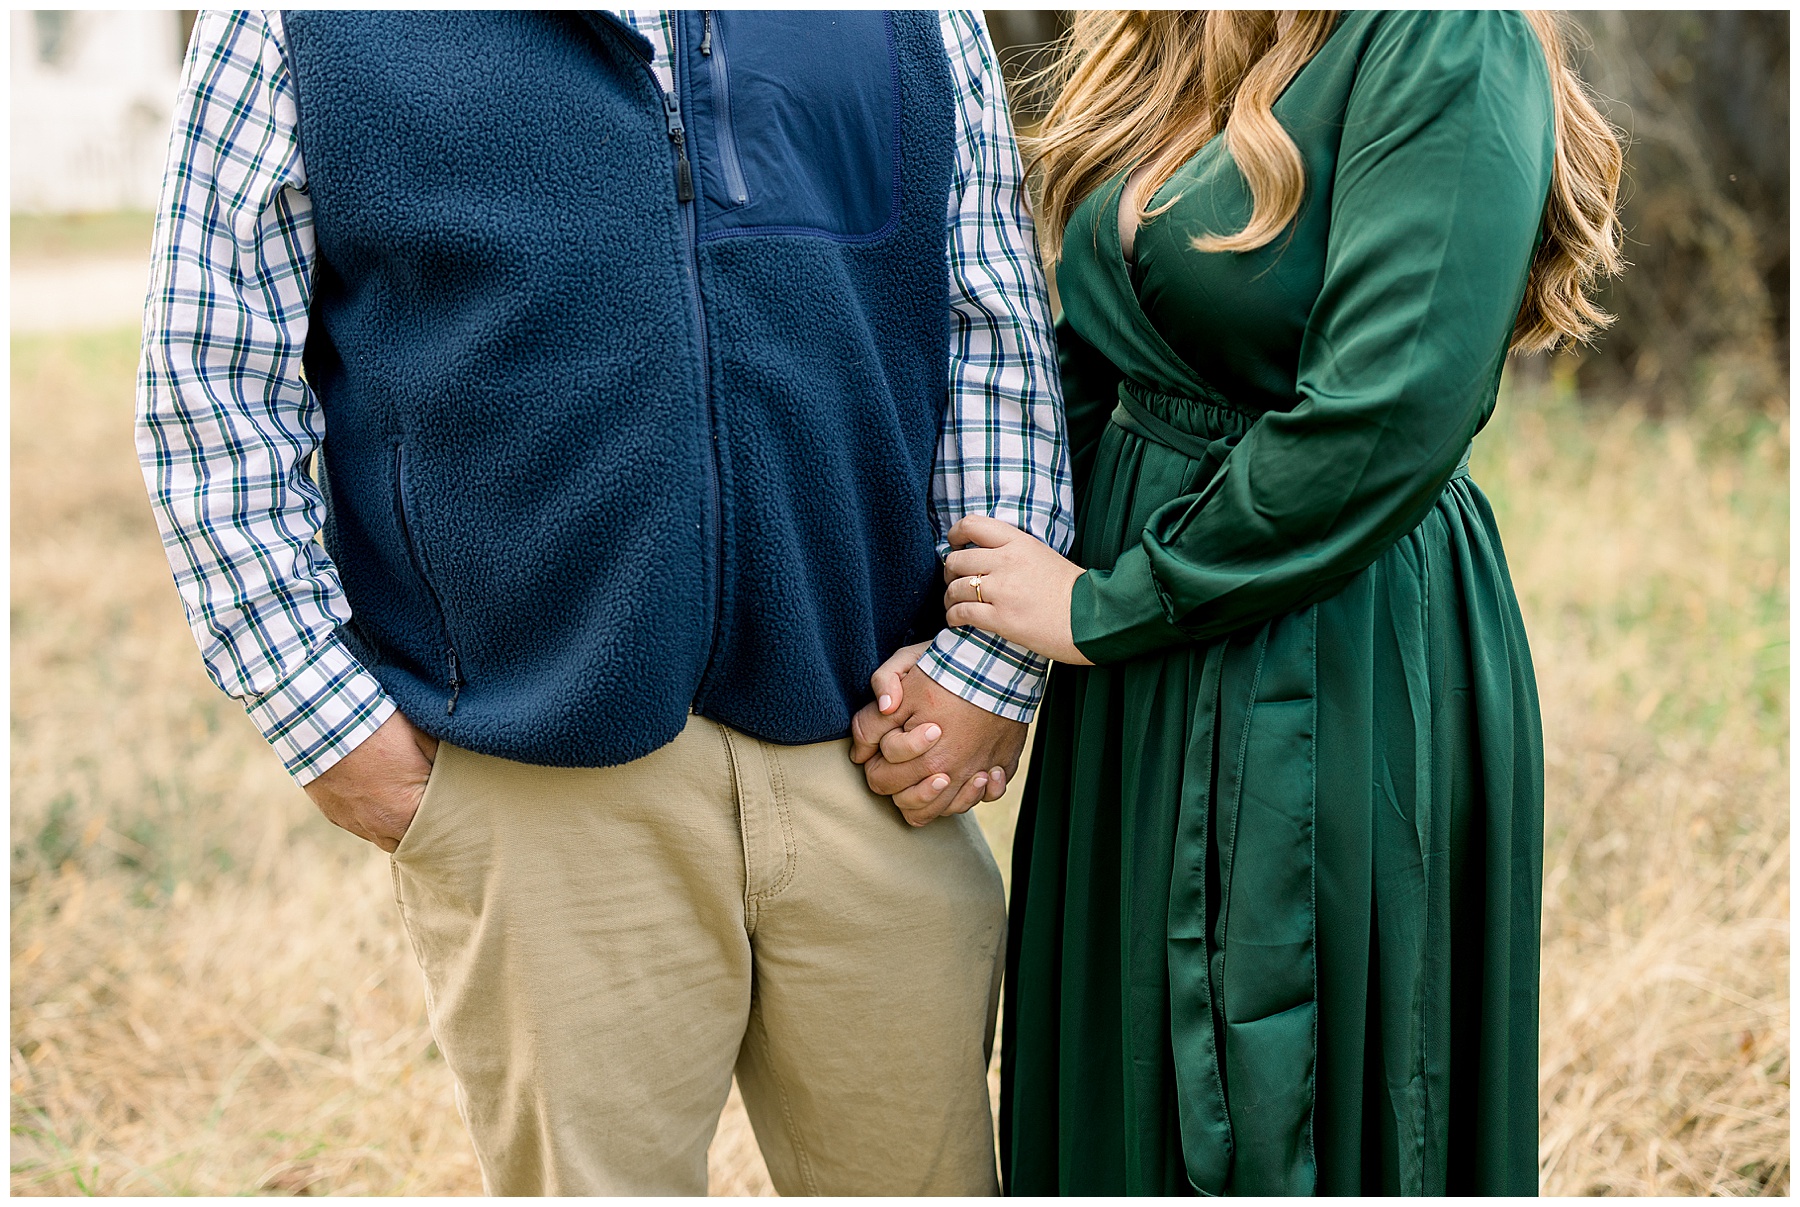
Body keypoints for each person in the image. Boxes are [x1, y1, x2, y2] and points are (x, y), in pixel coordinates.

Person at [135, 10, 1070, 1195]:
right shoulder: (292, 23)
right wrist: (323, 716)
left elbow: (988, 329)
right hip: (534, 772)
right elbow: (211, 383)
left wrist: (984, 664)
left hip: (882, 747)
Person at [852, 8, 1624, 1195]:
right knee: (1136, 1095)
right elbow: (1086, 363)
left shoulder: (1442, 37)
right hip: (1138, 660)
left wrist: (1108, 606)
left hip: (1321, 647)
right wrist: (953, 642)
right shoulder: (1177, 33)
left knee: (1279, 1104)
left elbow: (1387, 408)